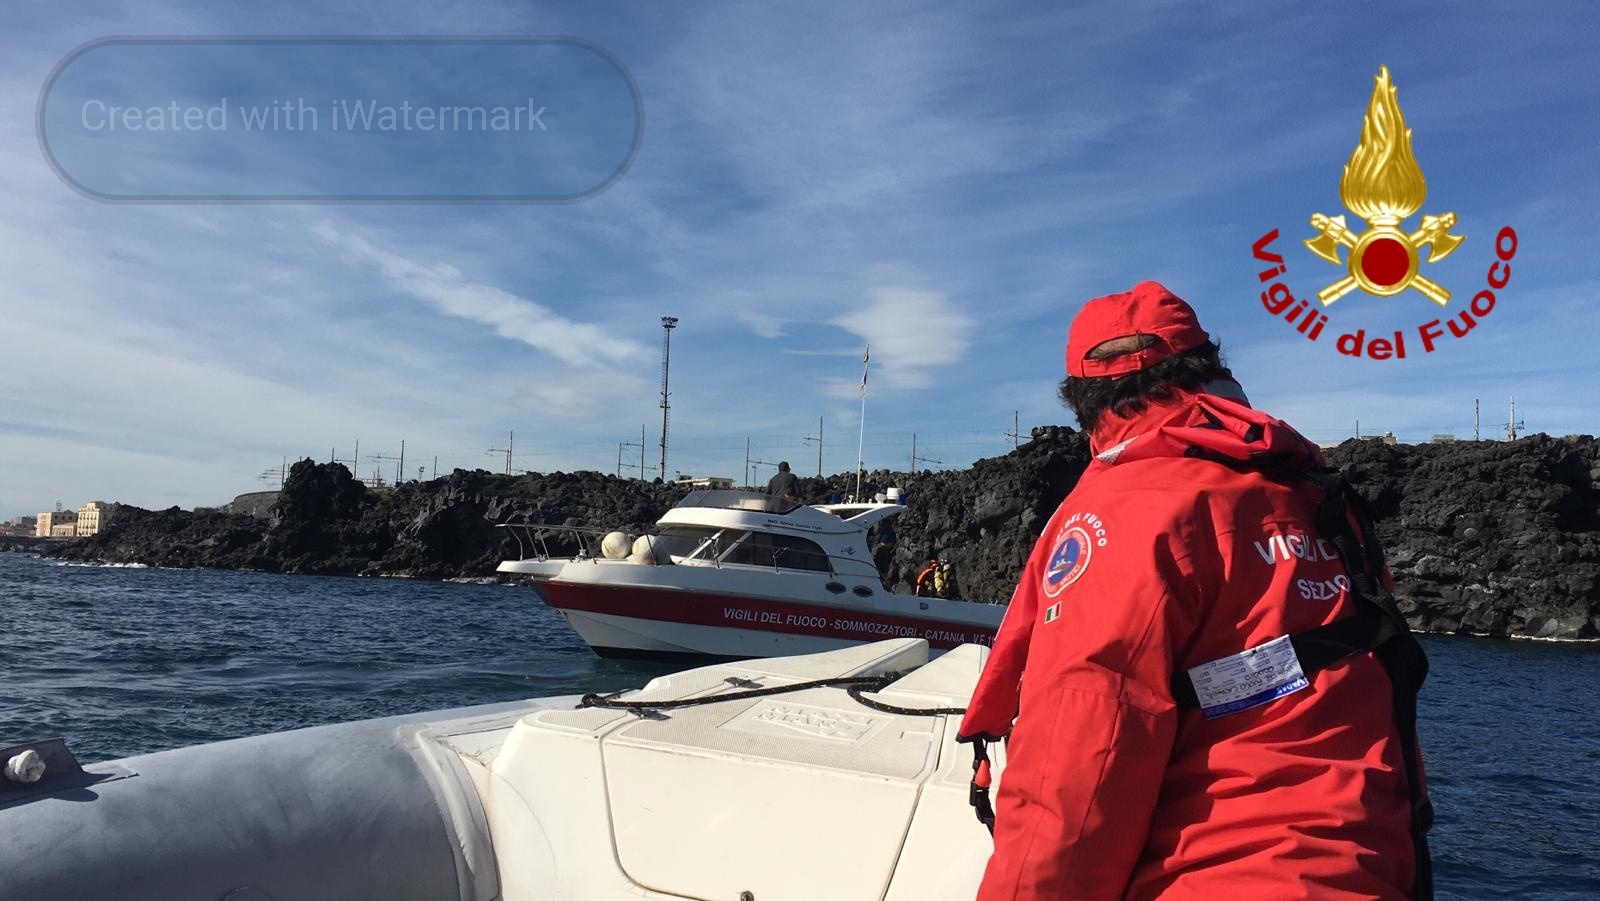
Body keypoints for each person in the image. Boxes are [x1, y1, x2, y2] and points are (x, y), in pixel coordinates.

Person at [958, 281, 1431, 900]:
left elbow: (1075, 769)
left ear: (1083, 399)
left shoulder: (1129, 512)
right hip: (1374, 870)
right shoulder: (1314, 496)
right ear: (1210, 366)